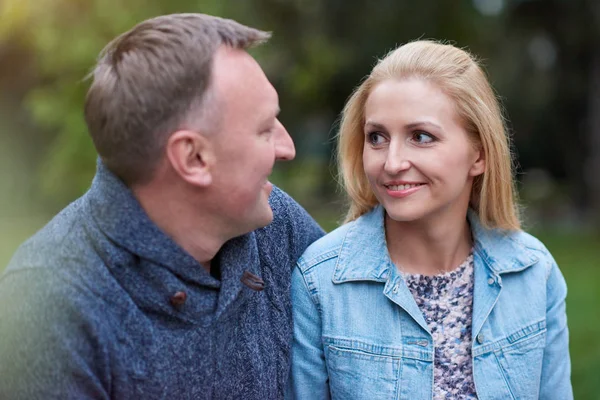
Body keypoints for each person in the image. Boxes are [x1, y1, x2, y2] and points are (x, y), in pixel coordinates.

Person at [0, 13, 324, 399]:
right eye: (265, 128)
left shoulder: (275, 224)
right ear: (193, 158)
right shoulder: (49, 307)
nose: (287, 148)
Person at [288, 40, 572, 399]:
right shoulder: (320, 282)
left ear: (479, 154)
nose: (391, 163)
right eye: (376, 137)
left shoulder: (534, 273)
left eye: (421, 137)